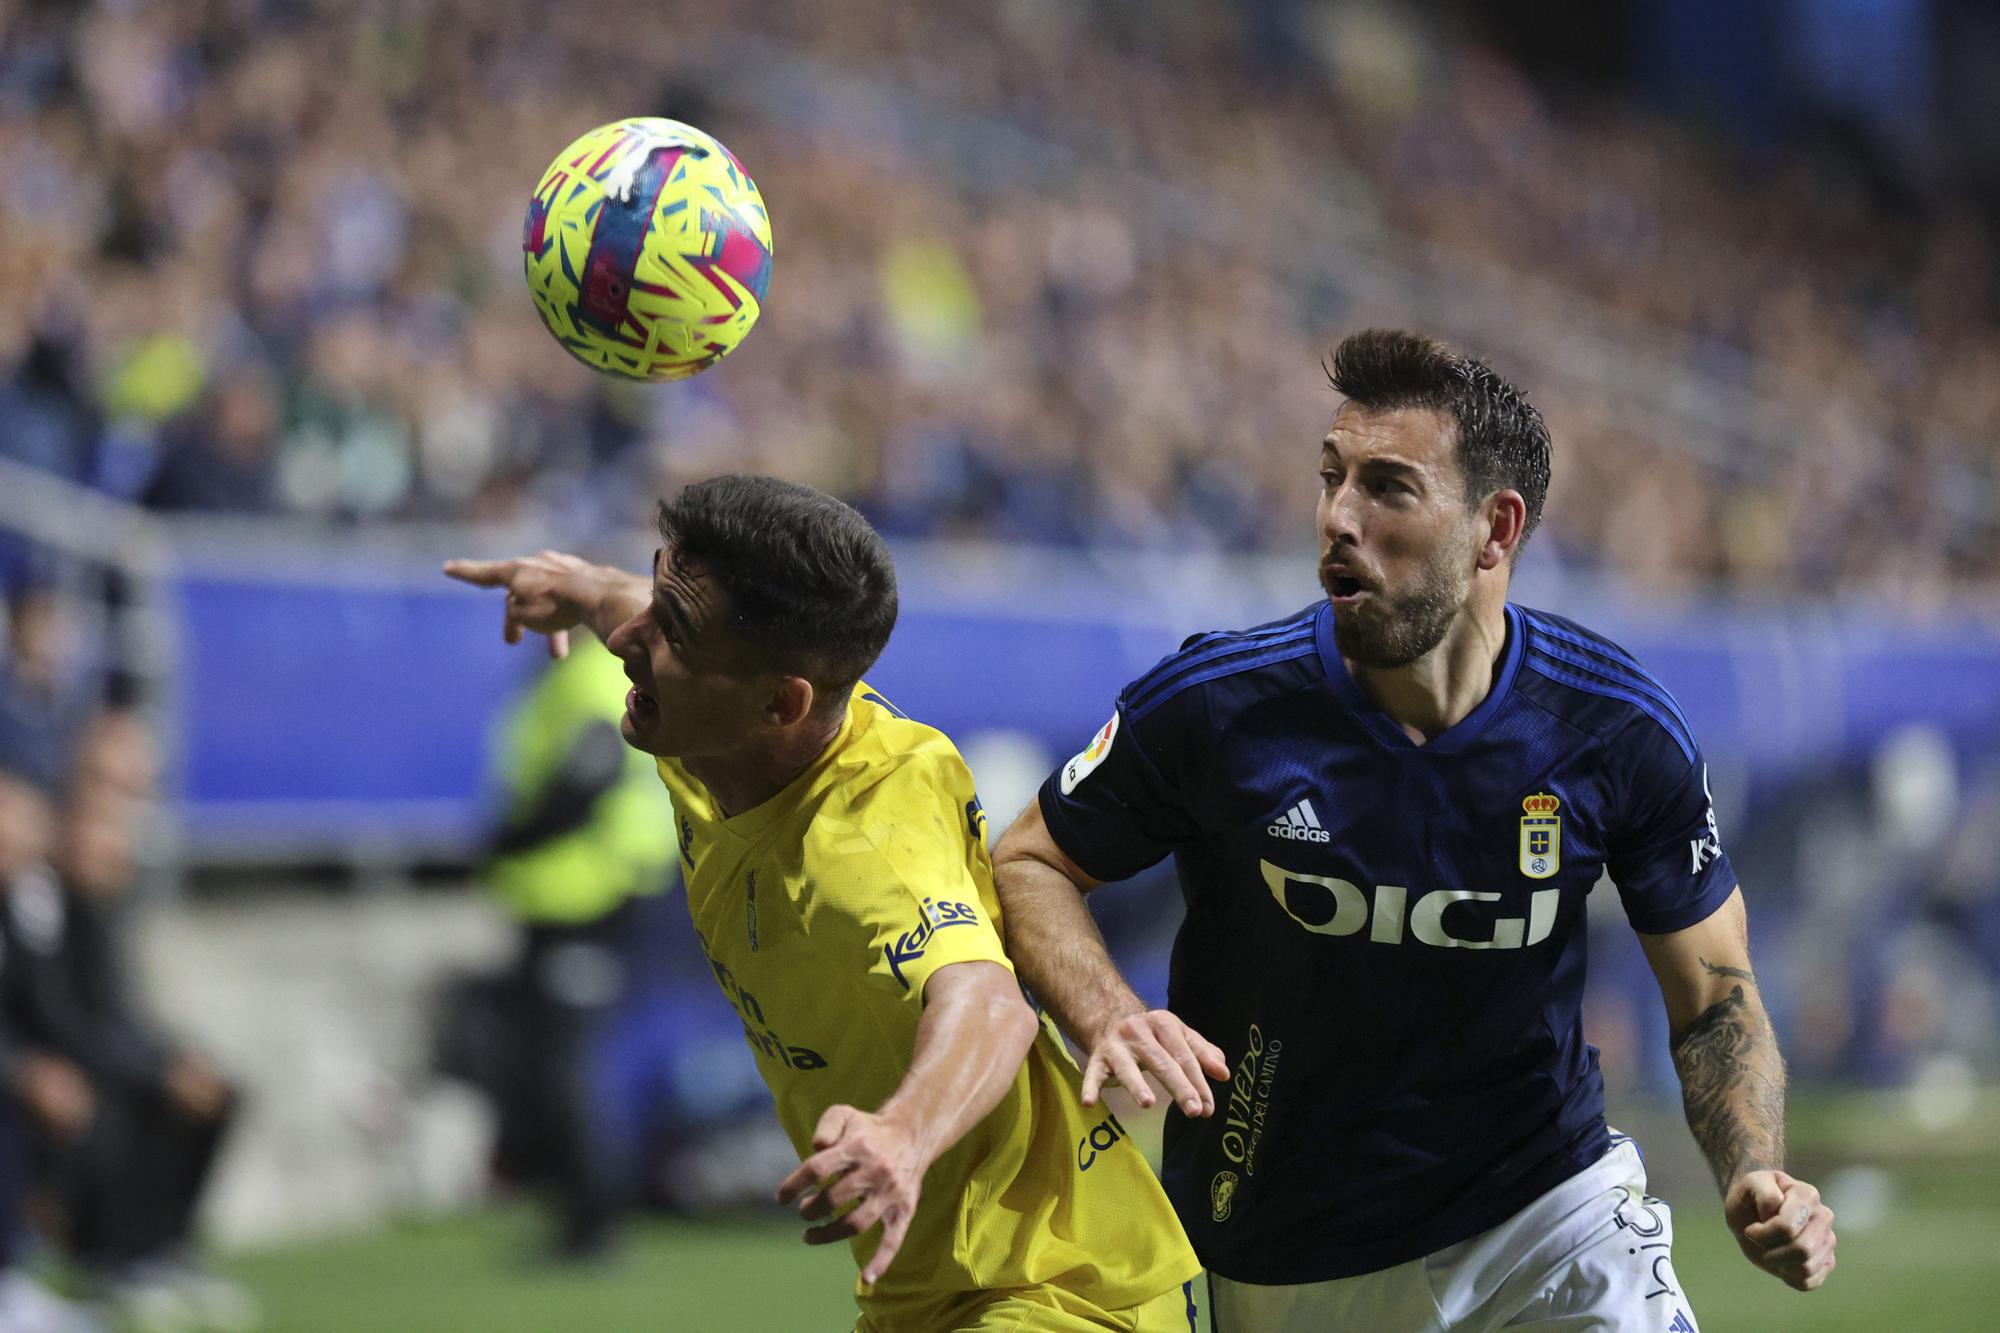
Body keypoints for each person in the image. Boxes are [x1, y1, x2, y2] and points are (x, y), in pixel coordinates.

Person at [990, 330, 1838, 1331]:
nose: (1336, 518)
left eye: (1387, 489)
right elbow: (1027, 857)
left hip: (1547, 1217)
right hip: (1282, 1250)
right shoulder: (1215, 705)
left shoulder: (1614, 727)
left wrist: (1754, 1172)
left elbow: (1712, 996)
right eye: (1328, 478)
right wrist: (1106, 1010)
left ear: (1494, 528)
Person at [445, 475, 1201, 1332]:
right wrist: (584, 585)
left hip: (1059, 1287)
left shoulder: (863, 843)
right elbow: (656, 616)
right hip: (927, 1293)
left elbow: (990, 1004)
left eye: (668, 627)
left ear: (783, 702)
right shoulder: (709, 716)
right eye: (652, 595)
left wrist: (905, 1135)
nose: (626, 638)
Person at [477, 644, 679, 1260]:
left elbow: (591, 769)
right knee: (554, 1062)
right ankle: (575, 1213)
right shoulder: (578, 672)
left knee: (572, 1066)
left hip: (587, 894)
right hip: (568, 894)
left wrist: (516, 836)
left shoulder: (592, 671)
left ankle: (594, 1222)